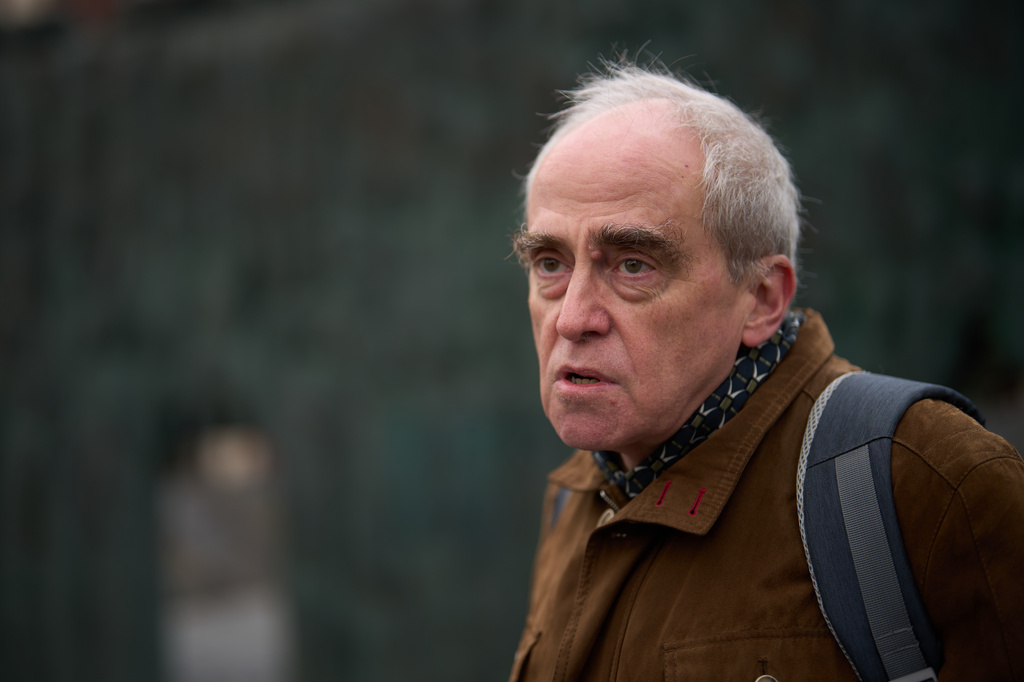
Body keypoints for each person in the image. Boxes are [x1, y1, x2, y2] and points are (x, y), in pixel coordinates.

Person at [508, 61, 1024, 681]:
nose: (571, 319)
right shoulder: (579, 494)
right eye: (549, 263)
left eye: (633, 266)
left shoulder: (928, 476)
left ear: (760, 297)